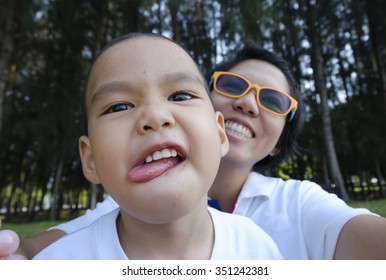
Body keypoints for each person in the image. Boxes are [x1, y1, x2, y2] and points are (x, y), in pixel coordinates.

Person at [3, 41, 386, 260]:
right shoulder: (125, 204)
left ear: (277, 142)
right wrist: (18, 254)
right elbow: (59, 241)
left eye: (273, 101)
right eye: (235, 86)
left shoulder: (296, 207)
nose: (250, 104)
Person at [16, 32, 283, 260]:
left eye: (180, 96)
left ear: (219, 134)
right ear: (91, 159)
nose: (155, 116)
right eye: (119, 107)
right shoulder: (60, 264)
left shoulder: (258, 248)